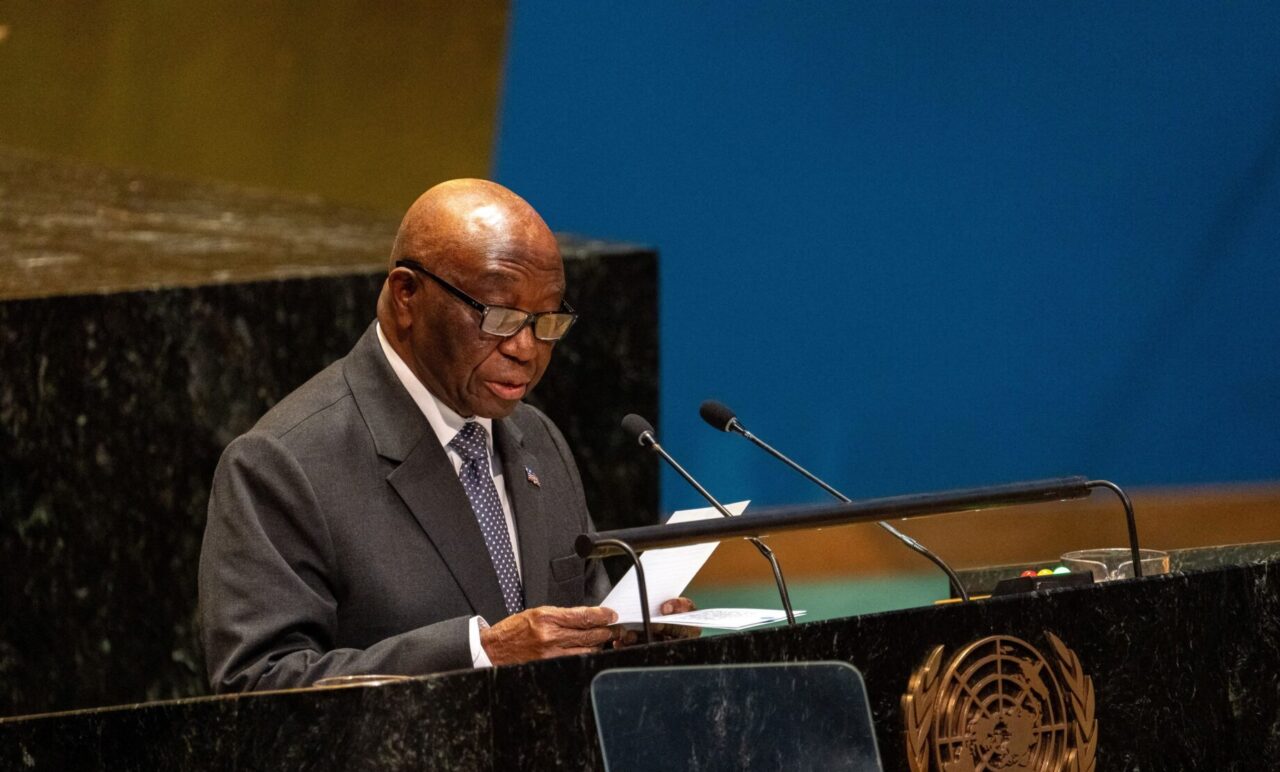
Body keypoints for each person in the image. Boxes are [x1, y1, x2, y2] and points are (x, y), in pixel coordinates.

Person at [198, 179, 690, 692]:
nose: (526, 349)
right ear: (407, 295)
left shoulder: (538, 437)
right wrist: (478, 654)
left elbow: (573, 626)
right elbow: (258, 685)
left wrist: (622, 638)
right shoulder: (283, 463)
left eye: (547, 321)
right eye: (500, 317)